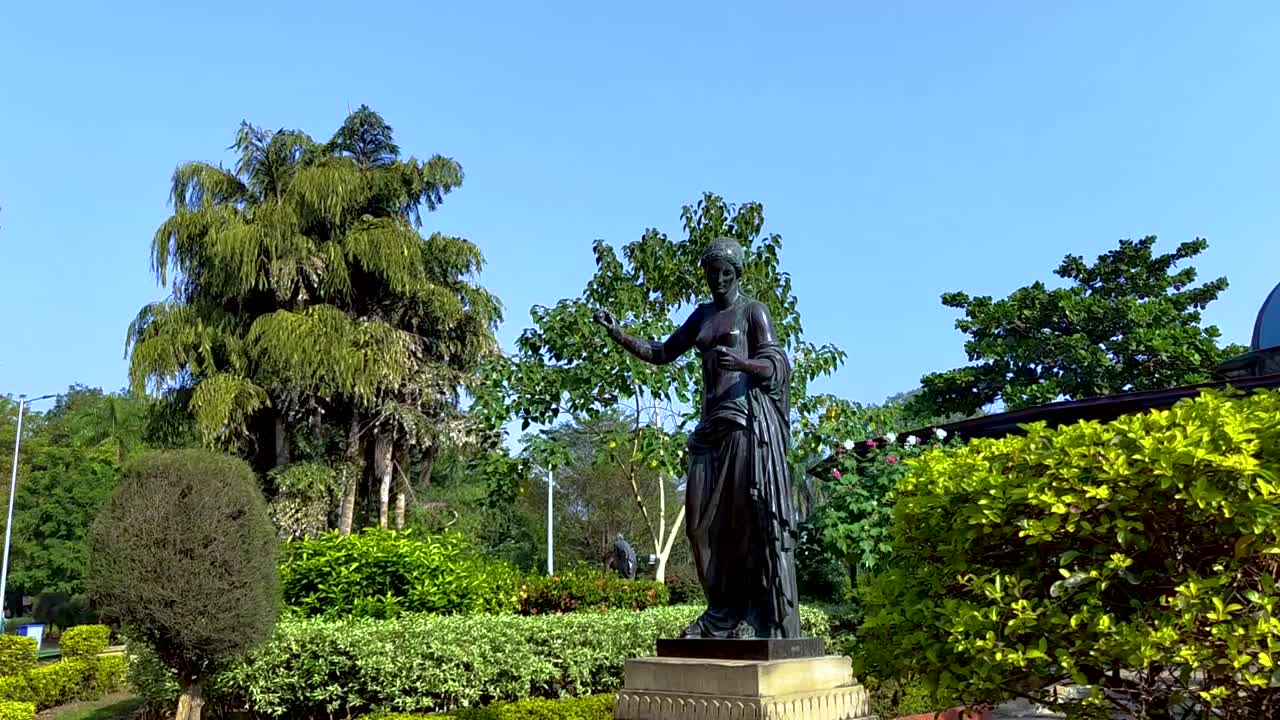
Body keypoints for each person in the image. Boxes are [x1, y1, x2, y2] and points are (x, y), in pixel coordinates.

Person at [592, 237, 800, 639]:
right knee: (701, 527)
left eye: (726, 272)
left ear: (738, 273)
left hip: (744, 425)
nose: (718, 279)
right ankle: (720, 612)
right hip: (709, 432)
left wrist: (742, 362)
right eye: (711, 272)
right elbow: (662, 352)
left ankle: (754, 616)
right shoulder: (701, 317)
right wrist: (617, 334)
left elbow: (776, 365)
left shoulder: (753, 312)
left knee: (744, 524)